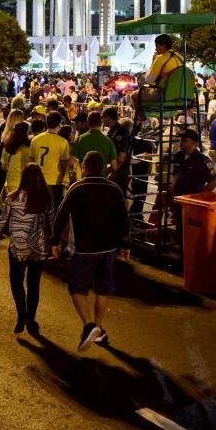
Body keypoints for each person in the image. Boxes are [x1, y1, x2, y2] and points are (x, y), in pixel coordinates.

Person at [53, 151, 132, 352]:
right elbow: (125, 221)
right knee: (102, 289)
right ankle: (99, 328)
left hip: (85, 249)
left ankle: (89, 325)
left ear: (85, 168)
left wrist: (55, 242)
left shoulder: (77, 188)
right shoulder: (114, 189)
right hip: (109, 248)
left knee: (77, 288)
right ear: (104, 167)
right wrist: (126, 245)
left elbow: (60, 216)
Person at [0, 163, 56, 335]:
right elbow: (52, 224)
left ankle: (22, 316)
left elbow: (3, 220)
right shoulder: (46, 199)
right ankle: (32, 319)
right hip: (39, 248)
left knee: (16, 282)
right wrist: (54, 243)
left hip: (18, 248)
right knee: (34, 284)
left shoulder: (13, 197)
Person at [30, 112, 70, 207]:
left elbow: (31, 161)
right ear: (59, 124)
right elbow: (64, 165)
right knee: (52, 210)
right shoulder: (63, 142)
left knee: (38, 209)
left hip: (38, 180)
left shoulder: (35, 139)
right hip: (55, 181)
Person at [70, 111, 117, 177]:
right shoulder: (109, 142)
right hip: (101, 181)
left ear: (88, 123)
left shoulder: (80, 139)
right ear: (101, 124)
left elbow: (71, 162)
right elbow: (114, 167)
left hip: (83, 181)